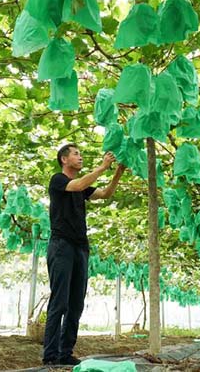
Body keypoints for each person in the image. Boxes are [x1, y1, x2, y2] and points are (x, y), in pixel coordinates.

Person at [42, 144, 126, 366]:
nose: (80, 157)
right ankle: (50, 355)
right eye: (76, 154)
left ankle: (65, 353)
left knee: (76, 303)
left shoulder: (82, 187)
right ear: (64, 159)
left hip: (80, 247)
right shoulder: (58, 180)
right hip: (62, 245)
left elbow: (105, 194)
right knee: (59, 302)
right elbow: (78, 184)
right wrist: (102, 167)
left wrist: (117, 173)